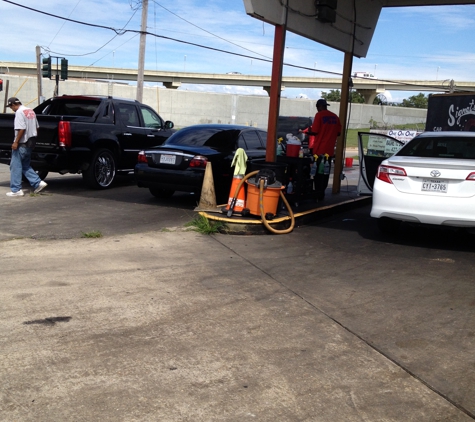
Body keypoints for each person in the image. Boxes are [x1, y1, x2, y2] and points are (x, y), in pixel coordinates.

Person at [6, 97, 47, 197]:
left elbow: (21, 129)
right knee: (25, 165)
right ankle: (38, 183)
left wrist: (16, 142)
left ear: (13, 104)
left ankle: (16, 190)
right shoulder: (30, 111)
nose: (12, 109)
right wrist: (33, 141)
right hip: (30, 142)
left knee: (15, 166)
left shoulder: (19, 112)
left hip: (22, 143)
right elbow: (37, 127)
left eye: (11, 107)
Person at [303, 99, 342, 200]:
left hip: (319, 151)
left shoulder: (319, 115)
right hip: (329, 152)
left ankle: (317, 193)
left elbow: (315, 131)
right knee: (325, 172)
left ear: (318, 106)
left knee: (317, 173)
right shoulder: (335, 117)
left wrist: (309, 132)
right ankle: (322, 192)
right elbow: (338, 133)